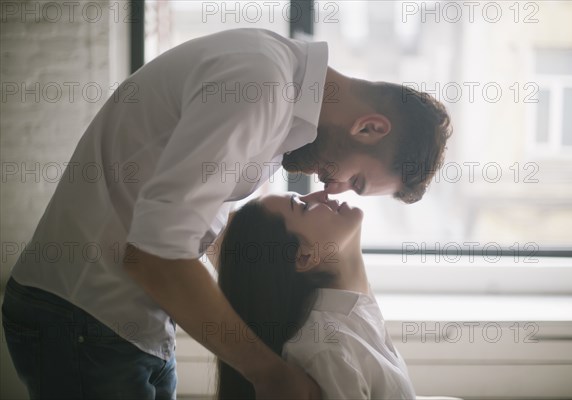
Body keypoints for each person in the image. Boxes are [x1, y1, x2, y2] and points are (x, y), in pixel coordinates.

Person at [2, 28, 451, 399]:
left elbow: (182, 217)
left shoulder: (277, 90)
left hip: (131, 327)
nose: (331, 188)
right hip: (84, 322)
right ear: (369, 128)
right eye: (355, 181)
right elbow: (155, 256)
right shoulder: (261, 87)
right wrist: (270, 374)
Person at [215, 190, 416, 399]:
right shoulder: (327, 352)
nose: (323, 194)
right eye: (303, 206)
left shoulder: (356, 309)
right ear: (303, 257)